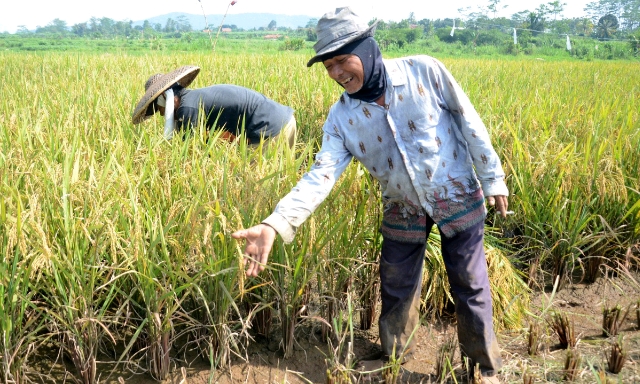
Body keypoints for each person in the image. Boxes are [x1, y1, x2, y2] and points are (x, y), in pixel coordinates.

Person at [231, 7, 507, 383]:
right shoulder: (341, 119)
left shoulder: (424, 71)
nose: (337, 74)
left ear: (369, 48)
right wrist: (274, 223)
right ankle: (395, 359)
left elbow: (467, 119)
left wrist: (493, 178)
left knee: (469, 283)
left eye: (343, 60)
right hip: (401, 205)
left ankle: (484, 367)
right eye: (328, 66)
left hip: (454, 194)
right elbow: (320, 176)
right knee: (396, 283)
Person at [132, 65, 296, 148]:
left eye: (159, 109)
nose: (161, 115)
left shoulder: (187, 110)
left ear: (164, 99)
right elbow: (218, 136)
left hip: (269, 128)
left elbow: (188, 153)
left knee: (250, 185)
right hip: (285, 120)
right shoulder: (193, 100)